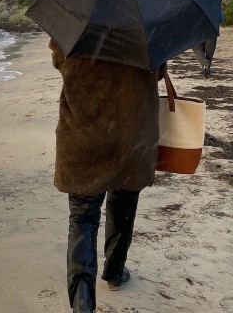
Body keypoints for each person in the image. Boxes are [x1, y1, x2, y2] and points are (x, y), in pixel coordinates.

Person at [49, 38, 166, 312]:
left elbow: (59, 61)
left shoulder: (76, 24)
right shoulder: (147, 28)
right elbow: (158, 71)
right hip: (131, 134)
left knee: (82, 219)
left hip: (83, 136)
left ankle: (82, 304)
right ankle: (114, 272)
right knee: (124, 204)